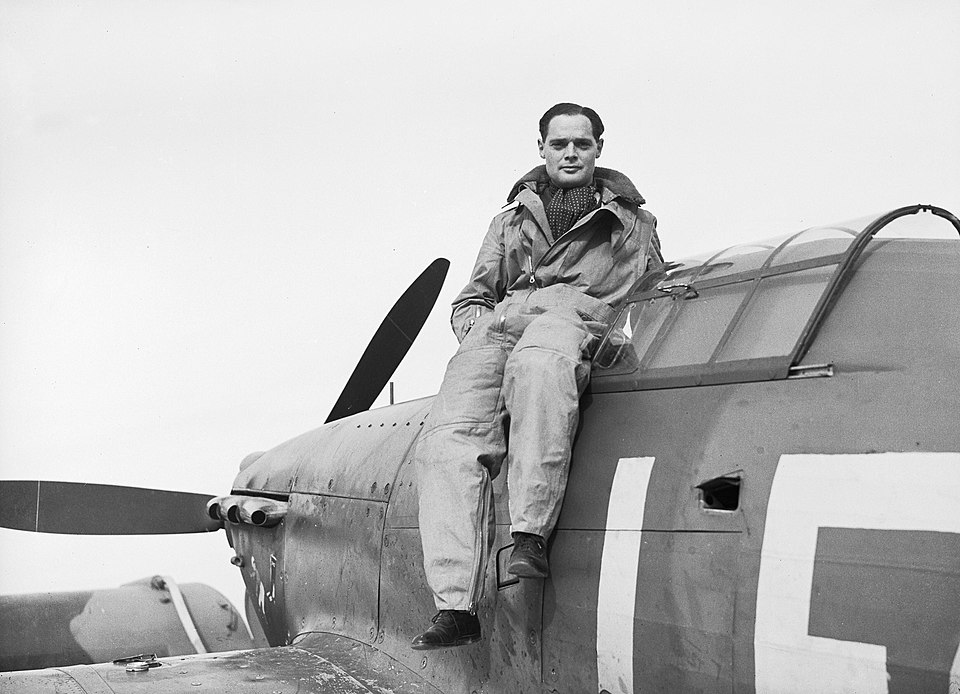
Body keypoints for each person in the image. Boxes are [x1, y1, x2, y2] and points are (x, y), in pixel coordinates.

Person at [411, 103, 662, 650]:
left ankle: (529, 535)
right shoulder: (509, 220)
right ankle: (455, 606)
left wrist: (609, 340)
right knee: (448, 438)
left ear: (599, 148)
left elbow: (653, 297)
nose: (570, 152)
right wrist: (477, 330)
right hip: (500, 327)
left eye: (582, 143)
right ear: (542, 149)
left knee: (540, 368)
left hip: (571, 318)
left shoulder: (635, 224)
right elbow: (472, 296)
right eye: (559, 144)